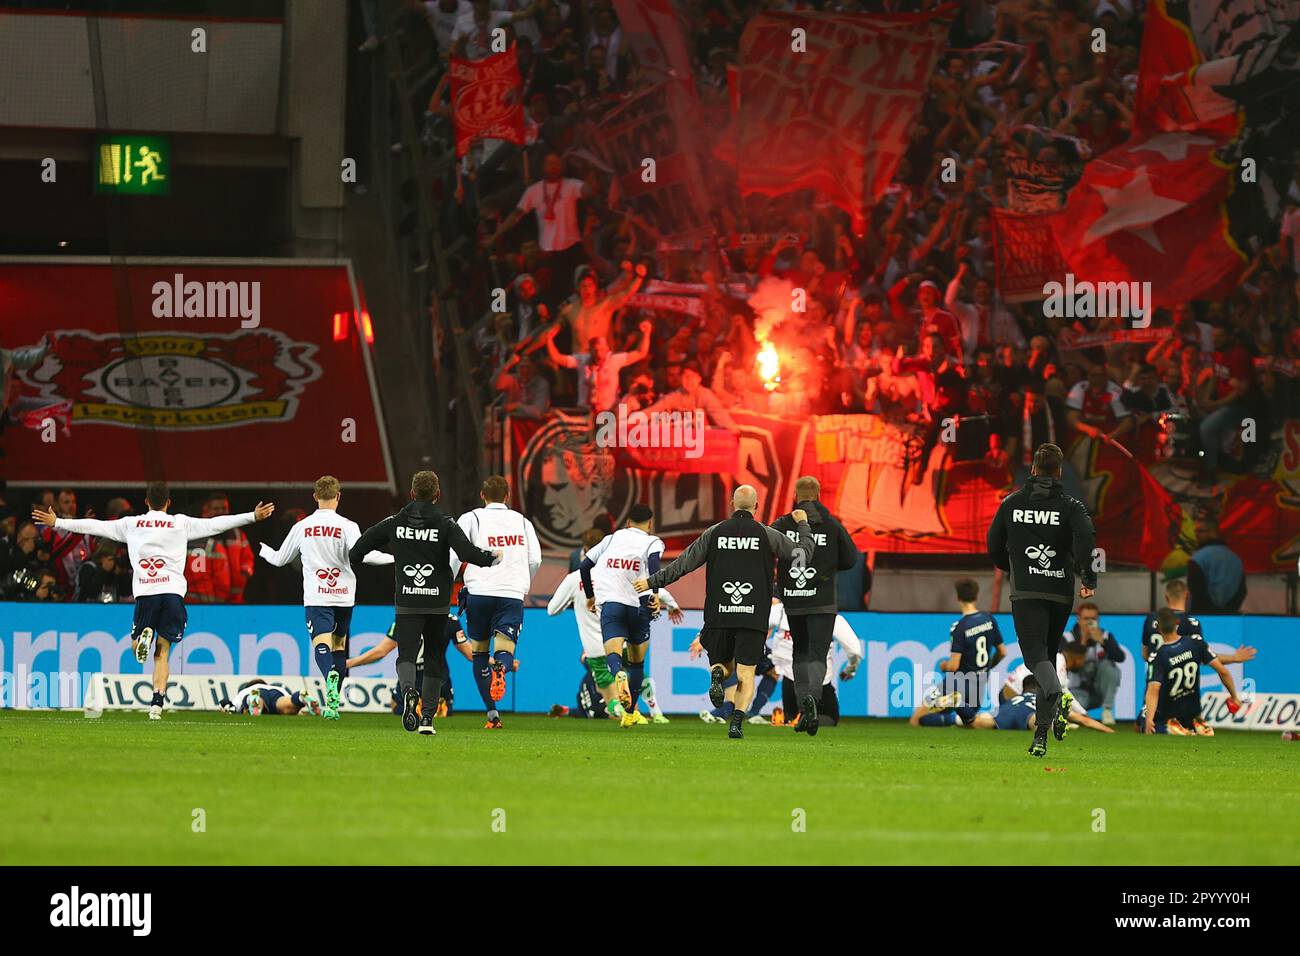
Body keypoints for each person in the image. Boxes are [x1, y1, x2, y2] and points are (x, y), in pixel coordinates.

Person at [32, 482, 275, 720]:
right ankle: (157, 703)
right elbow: (216, 524)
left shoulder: (132, 524)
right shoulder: (181, 523)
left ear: (146, 502)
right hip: (173, 595)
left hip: (147, 593)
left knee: (136, 649)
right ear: (168, 502)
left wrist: (58, 523)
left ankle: (144, 635)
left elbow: (95, 526)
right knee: (163, 653)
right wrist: (252, 516)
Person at [635, 484, 814, 740]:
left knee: (723, 666)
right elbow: (803, 555)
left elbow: (683, 564)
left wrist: (653, 582)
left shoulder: (714, 533)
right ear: (756, 506)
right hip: (752, 615)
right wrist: (803, 525)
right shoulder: (767, 535)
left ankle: (717, 673)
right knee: (746, 673)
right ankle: (737, 722)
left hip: (719, 614)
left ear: (732, 504)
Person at [349, 470, 499, 736]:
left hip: (407, 600)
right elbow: (467, 554)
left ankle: (408, 691)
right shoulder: (445, 523)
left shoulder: (395, 522)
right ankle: (427, 719)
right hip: (437, 602)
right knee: (433, 658)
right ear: (437, 495)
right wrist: (492, 558)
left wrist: (358, 560)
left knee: (406, 655)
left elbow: (359, 548)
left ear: (412, 493)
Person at [986, 442, 1097, 757]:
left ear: (1032, 469)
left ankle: (1059, 694)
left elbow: (993, 543)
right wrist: (1087, 575)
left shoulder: (1012, 503)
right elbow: (1087, 536)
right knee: (1046, 659)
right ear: (1059, 472)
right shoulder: (1070, 505)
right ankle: (1040, 737)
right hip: (1060, 591)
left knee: (1035, 661)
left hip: (1027, 592)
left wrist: (1010, 566)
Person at [257, 476, 391, 720]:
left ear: (315, 496)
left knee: (322, 645)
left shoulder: (302, 527)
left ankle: (328, 673)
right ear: (338, 496)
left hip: (318, 596)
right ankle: (333, 704)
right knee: (339, 646)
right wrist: (395, 558)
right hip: (344, 597)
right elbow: (366, 555)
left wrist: (263, 550)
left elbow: (280, 559)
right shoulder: (348, 526)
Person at [769, 476, 859, 735]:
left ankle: (802, 705)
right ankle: (813, 704)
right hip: (822, 600)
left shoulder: (785, 523)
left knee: (800, 651)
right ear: (819, 495)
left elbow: (770, 549)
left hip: (794, 598)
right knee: (818, 654)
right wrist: (827, 568)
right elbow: (851, 559)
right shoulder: (831, 525)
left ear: (795, 496)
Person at [452, 474, 541, 729]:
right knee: (505, 649)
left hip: (479, 591)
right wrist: (521, 581)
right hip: (511, 594)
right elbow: (535, 559)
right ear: (508, 496)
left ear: (482, 495)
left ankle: (492, 713)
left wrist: (450, 577)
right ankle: (501, 668)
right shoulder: (523, 522)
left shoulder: (472, 518)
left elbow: (456, 553)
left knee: (479, 653)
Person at [578, 503, 665, 727]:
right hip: (639, 605)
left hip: (612, 605)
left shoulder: (611, 539)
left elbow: (585, 566)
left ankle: (618, 674)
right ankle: (630, 713)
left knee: (613, 655)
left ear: (627, 523)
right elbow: (654, 563)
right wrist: (655, 592)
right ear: (650, 524)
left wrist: (590, 596)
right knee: (637, 664)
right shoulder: (652, 541)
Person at [916, 578, 1006, 727]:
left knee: (917, 719)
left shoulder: (960, 627)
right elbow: (1002, 652)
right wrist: (987, 667)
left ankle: (954, 702)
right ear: (976, 597)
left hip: (958, 682)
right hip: (979, 685)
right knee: (968, 723)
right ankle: (956, 713)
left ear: (958, 598)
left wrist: (943, 665)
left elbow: (953, 666)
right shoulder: (989, 619)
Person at [1143, 607, 1243, 736]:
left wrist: (1149, 720)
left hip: (1168, 713)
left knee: (1144, 722)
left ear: (1158, 629)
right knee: (1194, 725)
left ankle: (1171, 727)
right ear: (1177, 623)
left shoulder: (1158, 656)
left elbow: (1153, 689)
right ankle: (1196, 724)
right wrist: (1234, 697)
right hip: (1191, 712)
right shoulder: (1196, 644)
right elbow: (1223, 671)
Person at [768, 600, 862, 729]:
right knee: (829, 719)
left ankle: (792, 720)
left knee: (792, 721)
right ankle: (804, 719)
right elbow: (855, 650)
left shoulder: (780, 611)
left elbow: (756, 626)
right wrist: (850, 670)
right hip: (820, 686)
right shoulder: (832, 617)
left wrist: (764, 655)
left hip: (790, 685)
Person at [1065, 602, 1126, 726]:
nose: (1089, 622)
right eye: (1086, 619)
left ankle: (1107, 710)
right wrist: (1083, 642)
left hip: (1098, 692)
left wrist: (1103, 643)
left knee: (1110, 667)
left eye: (1093, 619)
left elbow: (1120, 657)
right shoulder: (1068, 638)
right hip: (1076, 691)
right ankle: (1072, 716)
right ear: (1078, 619)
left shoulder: (1105, 636)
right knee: (1077, 705)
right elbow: (1070, 665)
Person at [222, 679, 321, 717]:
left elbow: (229, 706)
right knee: (287, 705)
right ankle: (300, 696)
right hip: (277, 693)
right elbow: (295, 710)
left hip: (254, 692)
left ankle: (254, 700)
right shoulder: (275, 688)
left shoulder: (244, 691)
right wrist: (297, 711)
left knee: (249, 704)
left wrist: (225, 707)